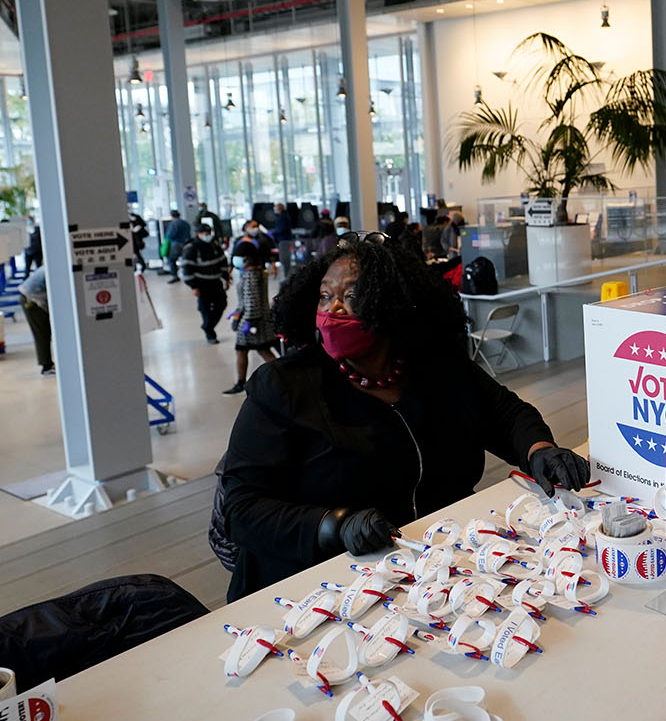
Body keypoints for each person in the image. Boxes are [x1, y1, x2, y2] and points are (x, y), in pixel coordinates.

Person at [216, 234, 590, 600]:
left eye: (350, 297)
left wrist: (539, 450)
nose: (333, 310)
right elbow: (241, 507)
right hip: (319, 586)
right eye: (325, 297)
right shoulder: (284, 385)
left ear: (390, 303)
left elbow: (505, 414)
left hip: (435, 570)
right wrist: (333, 524)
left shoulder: (435, 365)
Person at [223, 240, 278, 395]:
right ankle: (282, 377)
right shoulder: (259, 273)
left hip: (252, 322)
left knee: (244, 350)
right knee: (263, 350)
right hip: (257, 320)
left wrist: (247, 323)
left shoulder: (251, 277)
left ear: (247, 259)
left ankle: (241, 383)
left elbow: (252, 302)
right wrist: (237, 313)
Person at [178, 222, 229, 344]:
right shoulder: (191, 248)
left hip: (216, 282)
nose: (208, 235)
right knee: (205, 309)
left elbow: (222, 261)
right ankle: (210, 333)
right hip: (202, 284)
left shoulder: (214, 245)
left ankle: (207, 326)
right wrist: (193, 286)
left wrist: (226, 277)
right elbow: (187, 268)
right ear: (198, 234)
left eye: (209, 233)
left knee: (221, 304)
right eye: (205, 233)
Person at [18, 265, 52, 375]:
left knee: (45, 332)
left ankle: (47, 364)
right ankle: (46, 367)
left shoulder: (53, 264)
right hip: (31, 300)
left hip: (32, 297)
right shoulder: (55, 267)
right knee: (42, 333)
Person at [163, 210, 190, 282]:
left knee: (171, 259)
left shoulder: (173, 223)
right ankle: (187, 274)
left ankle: (174, 276)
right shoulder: (185, 223)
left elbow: (169, 235)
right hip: (186, 244)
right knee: (185, 259)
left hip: (176, 244)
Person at [271, 202, 294, 276]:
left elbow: (281, 229)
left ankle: (287, 276)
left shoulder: (282, 217)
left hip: (284, 240)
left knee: (285, 259)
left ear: (278, 209)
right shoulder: (284, 216)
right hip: (285, 240)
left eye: (275, 208)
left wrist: (273, 233)